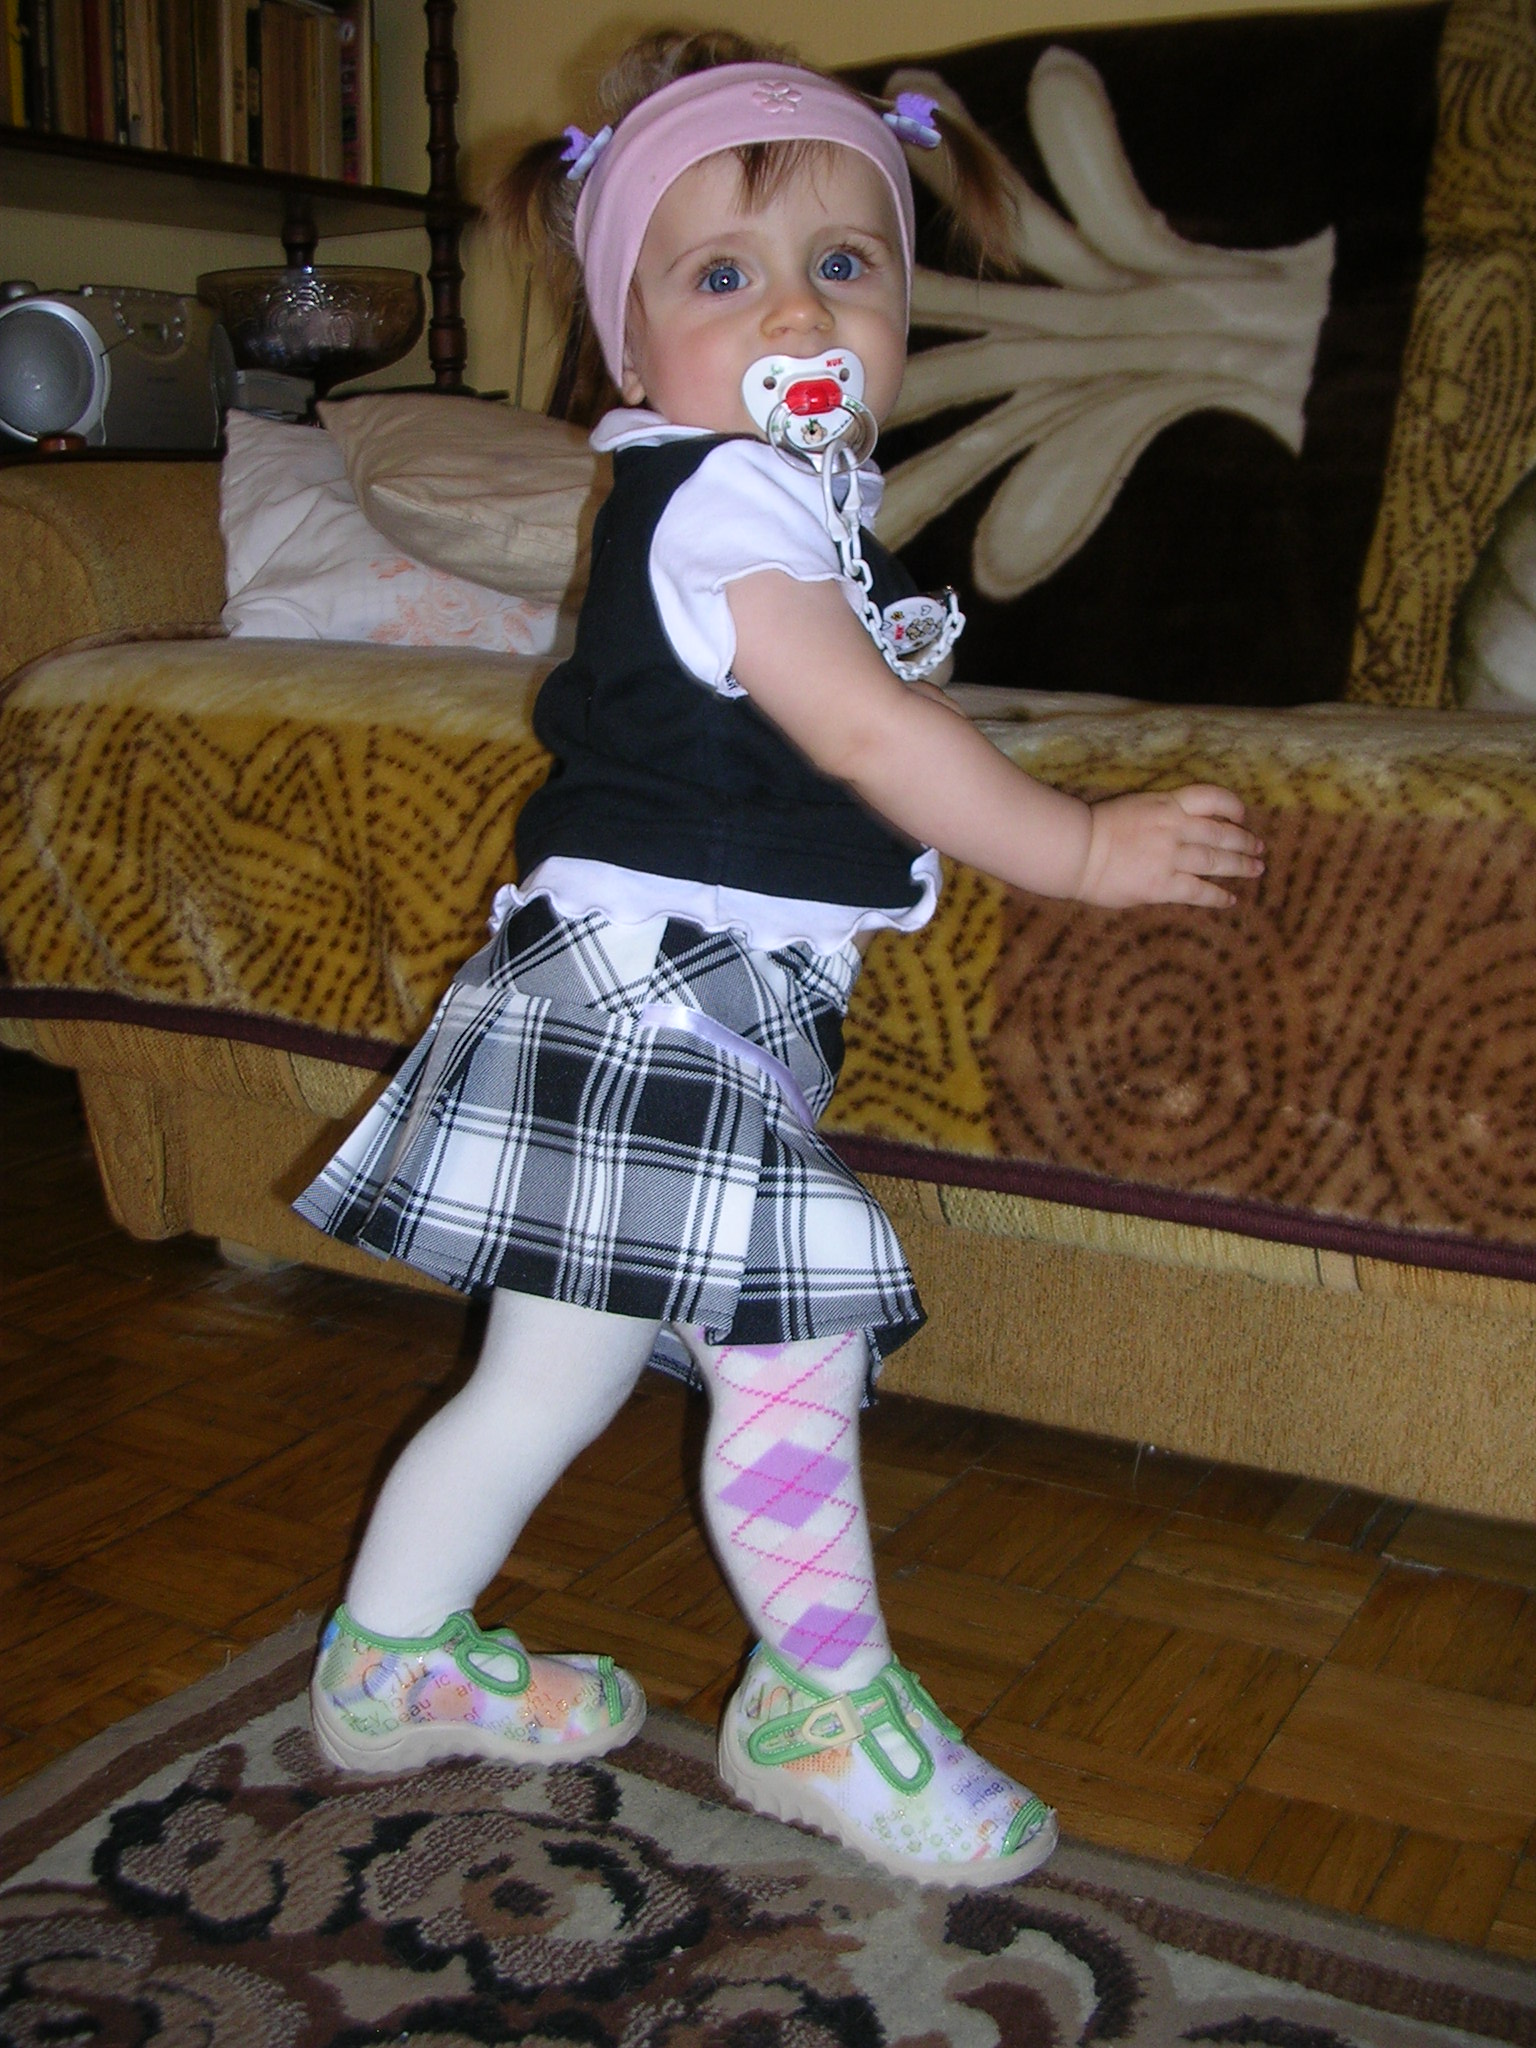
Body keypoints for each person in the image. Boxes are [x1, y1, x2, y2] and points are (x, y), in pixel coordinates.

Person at [296, 28, 1264, 1890]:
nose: (796, 311)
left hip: (631, 981)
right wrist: (1080, 846)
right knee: (792, 1332)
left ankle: (390, 1661)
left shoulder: (780, 505)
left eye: (843, 263)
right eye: (721, 278)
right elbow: (866, 734)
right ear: (629, 344)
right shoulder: (734, 498)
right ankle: (816, 1705)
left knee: (546, 1380)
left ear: (902, 311)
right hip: (655, 994)